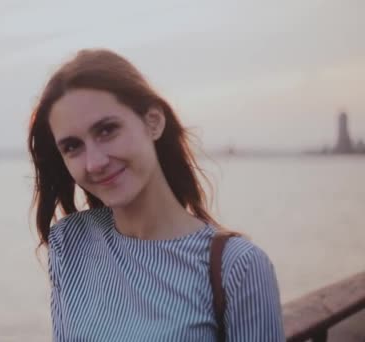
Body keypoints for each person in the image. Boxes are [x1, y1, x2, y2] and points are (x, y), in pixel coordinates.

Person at [27, 49, 284, 341]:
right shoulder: (69, 242)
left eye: (107, 130)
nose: (94, 162)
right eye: (73, 146)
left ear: (153, 122)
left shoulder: (238, 267)